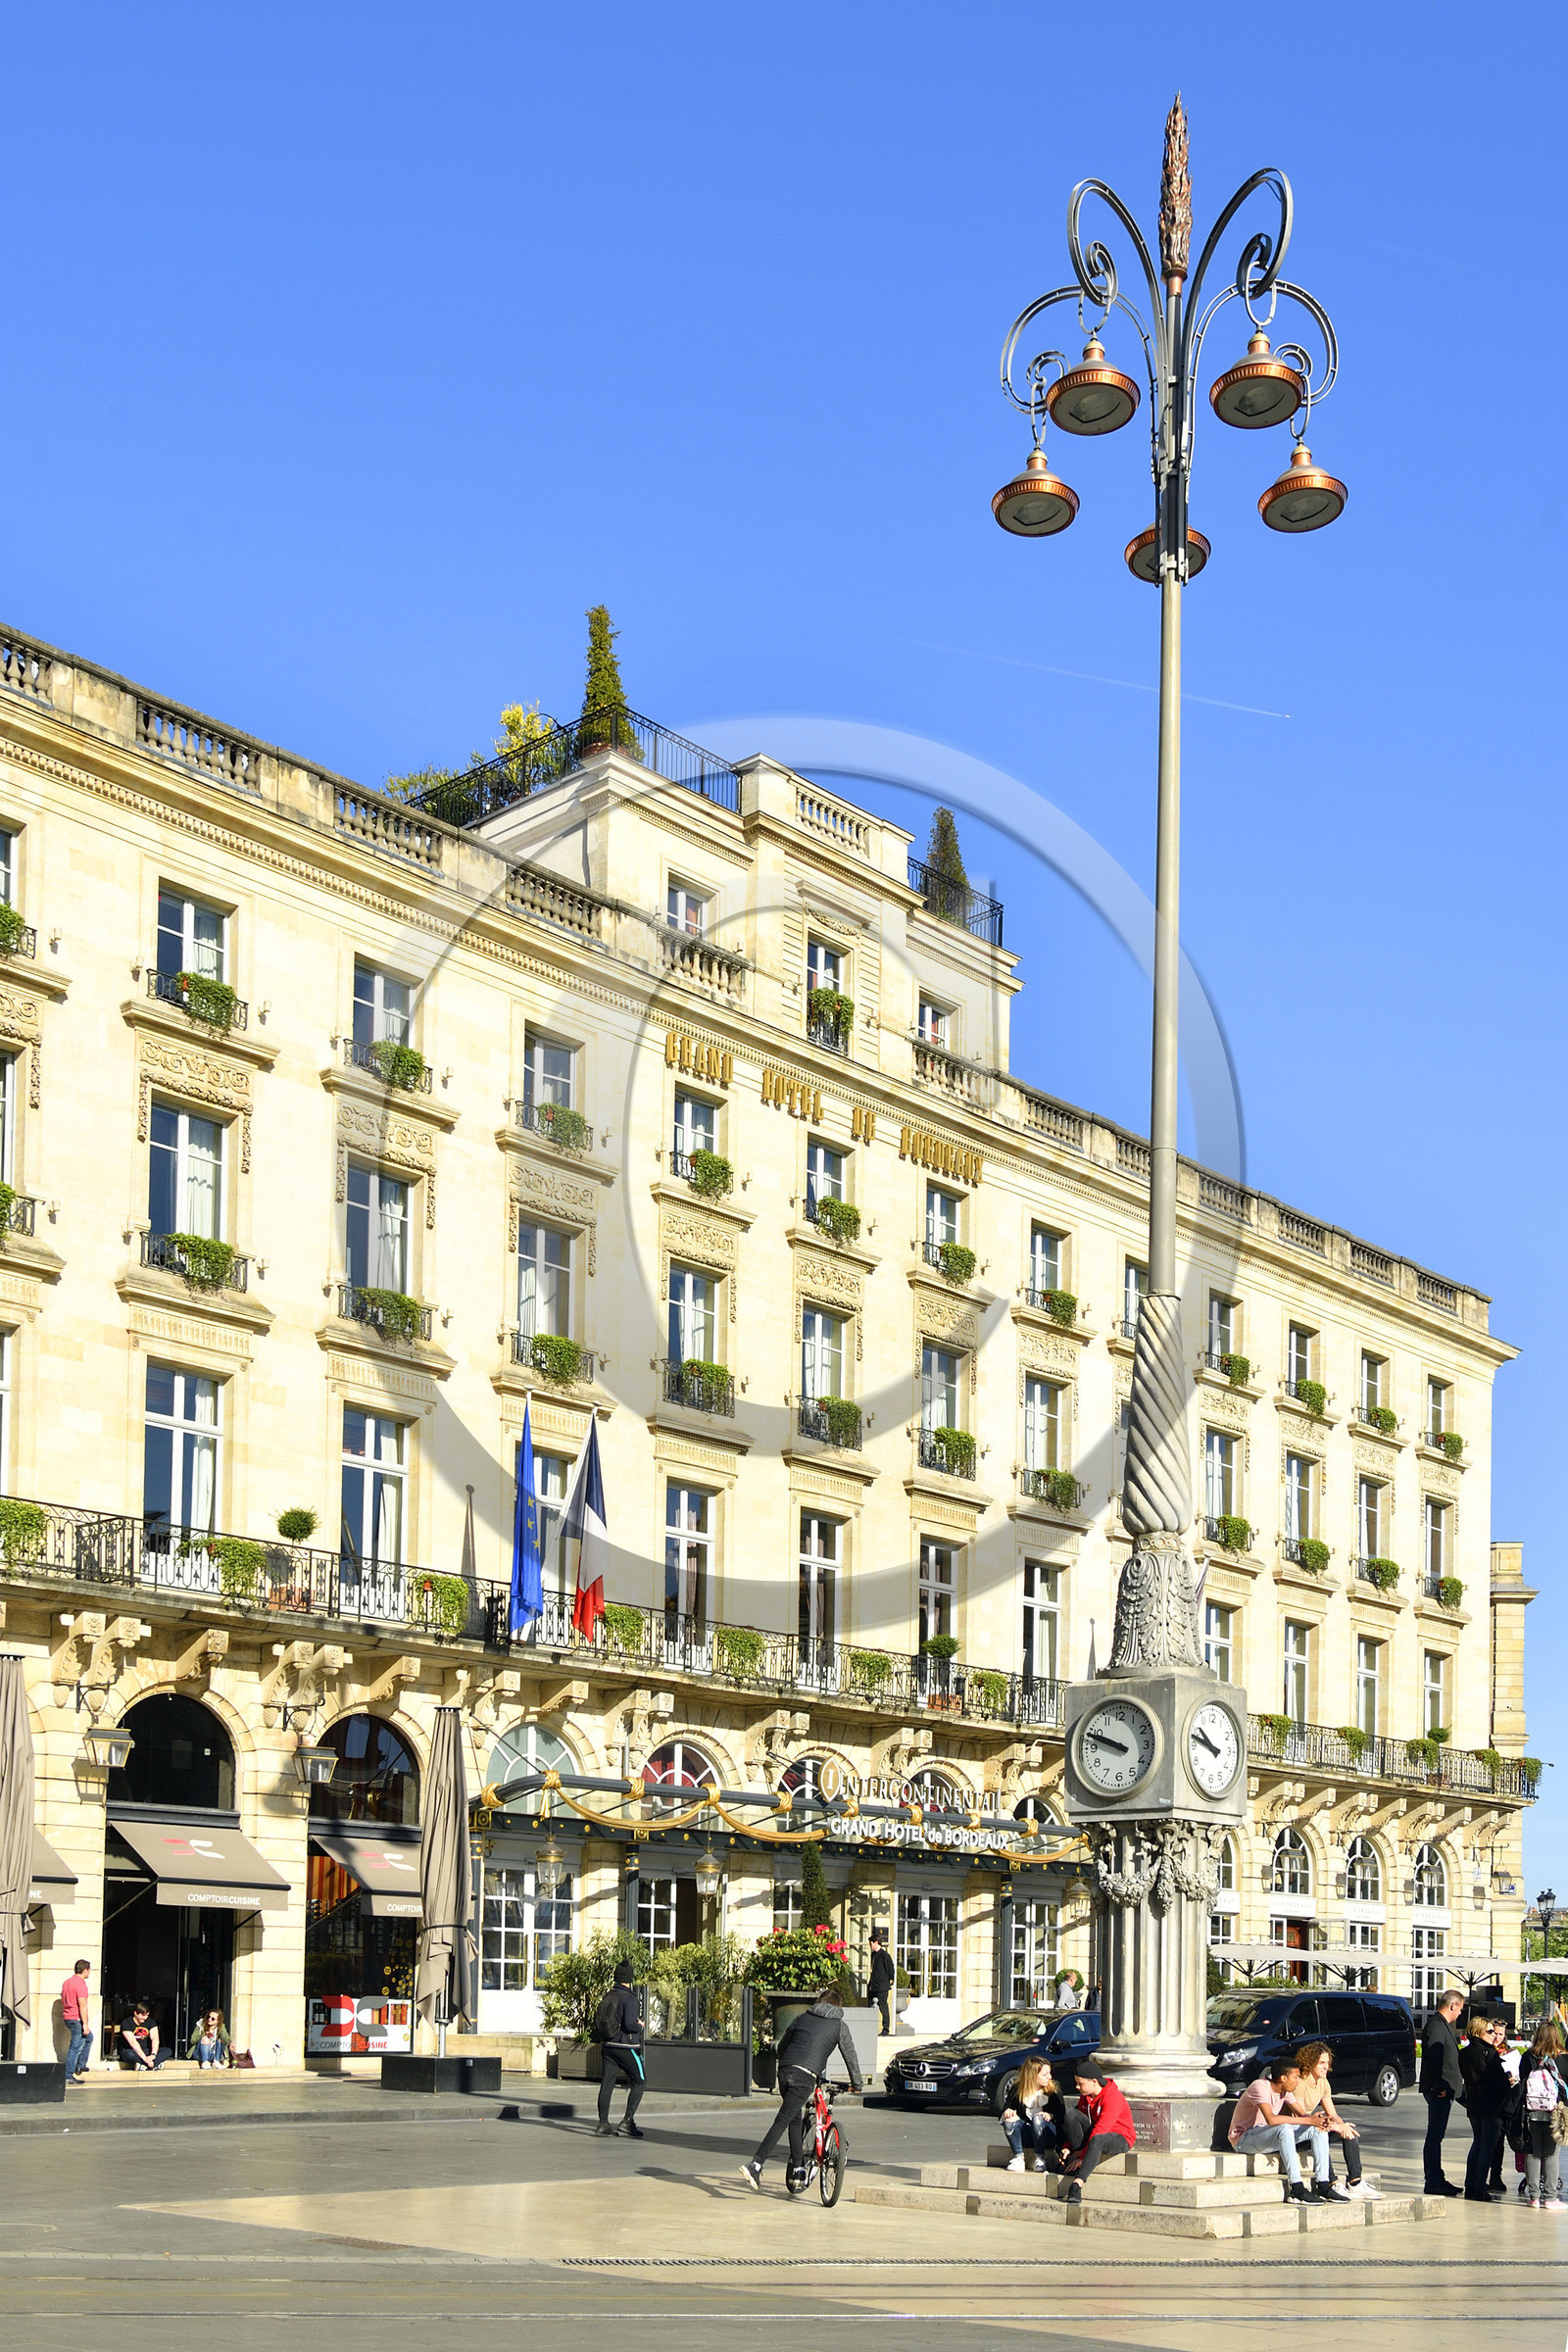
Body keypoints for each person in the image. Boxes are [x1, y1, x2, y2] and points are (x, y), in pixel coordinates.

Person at [741, 1983, 863, 2191]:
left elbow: (783, 2044)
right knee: (783, 2119)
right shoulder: (839, 2026)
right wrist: (856, 2083)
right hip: (805, 2077)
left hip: (786, 2071)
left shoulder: (802, 2017)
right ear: (838, 2007)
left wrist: (788, 2061)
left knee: (794, 2120)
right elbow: (850, 2055)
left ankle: (798, 2169)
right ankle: (756, 2164)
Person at [1228, 2058, 1335, 2203]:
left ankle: (1323, 2185)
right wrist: (1308, 2120)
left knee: (1318, 2130)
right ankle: (1296, 2188)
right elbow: (1271, 2119)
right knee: (1284, 2128)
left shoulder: (1285, 2091)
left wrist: (1319, 2121)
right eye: (1296, 2077)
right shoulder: (1260, 2087)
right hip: (1243, 2139)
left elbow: (1303, 2115)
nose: (1298, 2082)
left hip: (1265, 2135)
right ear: (1283, 2078)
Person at [1285, 2041, 1379, 2200]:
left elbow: (1333, 2114)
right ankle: (1332, 2182)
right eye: (1321, 2063)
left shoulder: (1323, 2082)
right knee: (1321, 2131)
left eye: (1327, 2063)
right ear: (1310, 2062)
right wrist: (1331, 2126)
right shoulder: (1299, 2083)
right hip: (1296, 2131)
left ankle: (1355, 2182)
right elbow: (1299, 2118)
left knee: (1349, 2132)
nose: (1326, 2067)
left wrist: (1341, 2126)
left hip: (1311, 2125)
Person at [1052, 2058, 1138, 2205]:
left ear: (1094, 2082)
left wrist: (1083, 2157)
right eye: (1077, 2083)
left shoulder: (1113, 2097)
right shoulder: (1085, 2097)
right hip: (1095, 2135)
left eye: (1080, 2083)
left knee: (1098, 2139)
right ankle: (1075, 2162)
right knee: (1071, 2115)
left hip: (1120, 2137)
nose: (1077, 2087)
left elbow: (1101, 2129)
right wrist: (1068, 2147)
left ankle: (1078, 2183)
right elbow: (1078, 2121)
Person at [1458, 2009, 1511, 2201]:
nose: (1493, 2035)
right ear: (1479, 2032)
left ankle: (1470, 2184)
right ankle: (1480, 2186)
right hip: (1491, 2105)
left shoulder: (1464, 2053)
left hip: (1474, 2103)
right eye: (1490, 2031)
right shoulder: (1488, 2053)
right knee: (1487, 2145)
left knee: (1477, 2142)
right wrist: (1507, 2080)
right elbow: (1500, 2081)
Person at [1419, 1988, 1466, 2195]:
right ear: (1453, 2005)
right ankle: (1433, 2180)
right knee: (1434, 2135)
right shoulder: (1437, 2026)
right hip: (1440, 2090)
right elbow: (1435, 2057)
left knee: (1437, 2135)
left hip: (1446, 2088)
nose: (1461, 2013)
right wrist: (1438, 2085)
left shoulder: (1441, 2025)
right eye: (1461, 2008)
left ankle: (1438, 2177)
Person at [1517, 2021, 1568, 2211]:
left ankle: (1534, 2197)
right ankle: (1551, 2197)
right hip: (1555, 2112)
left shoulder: (1528, 2056)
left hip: (1532, 2111)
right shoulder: (1563, 2059)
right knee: (1552, 2154)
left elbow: (1522, 2081)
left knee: (1533, 2152)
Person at [593, 1961, 646, 2139]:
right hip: (626, 2046)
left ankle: (603, 2124)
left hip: (608, 2046)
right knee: (640, 2081)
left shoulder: (609, 1995)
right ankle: (627, 2121)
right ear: (630, 1978)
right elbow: (630, 2025)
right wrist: (640, 2026)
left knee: (607, 2085)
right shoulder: (630, 1998)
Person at [1002, 2056, 1064, 2172]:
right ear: (1032, 2075)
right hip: (1027, 2132)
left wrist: (1050, 2116)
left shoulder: (1053, 2090)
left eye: (1049, 2073)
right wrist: (1009, 2111)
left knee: (1038, 2118)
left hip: (1046, 2134)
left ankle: (1040, 2159)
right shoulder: (1017, 2089)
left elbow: (1062, 2115)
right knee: (1010, 2120)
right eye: (1045, 2075)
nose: (1049, 2077)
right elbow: (1008, 2106)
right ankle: (1018, 2158)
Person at [61, 1959, 93, 2084]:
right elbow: (82, 2005)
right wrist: (85, 2024)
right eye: (89, 1970)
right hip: (77, 2019)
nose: (89, 1973)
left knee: (89, 2038)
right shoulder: (80, 1985)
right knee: (75, 2047)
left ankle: (81, 2065)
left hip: (68, 2017)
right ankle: (68, 2075)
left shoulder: (67, 1982)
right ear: (85, 1971)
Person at [118, 2000, 168, 2071]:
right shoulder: (126, 2023)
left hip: (146, 2050)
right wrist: (145, 2058)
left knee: (167, 2051)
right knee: (128, 2054)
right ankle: (155, 2064)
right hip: (132, 2050)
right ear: (135, 2013)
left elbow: (155, 2038)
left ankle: (145, 2065)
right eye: (143, 2015)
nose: (145, 2018)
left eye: (147, 2015)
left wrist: (153, 2055)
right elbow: (133, 2043)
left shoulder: (151, 2022)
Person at [867, 1934, 895, 2038]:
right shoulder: (873, 1955)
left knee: (883, 2007)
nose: (870, 1945)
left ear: (876, 1942)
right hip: (873, 1985)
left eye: (871, 1943)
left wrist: (890, 1980)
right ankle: (870, 2027)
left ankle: (886, 2029)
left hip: (882, 1986)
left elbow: (890, 1969)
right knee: (870, 2005)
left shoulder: (885, 1955)